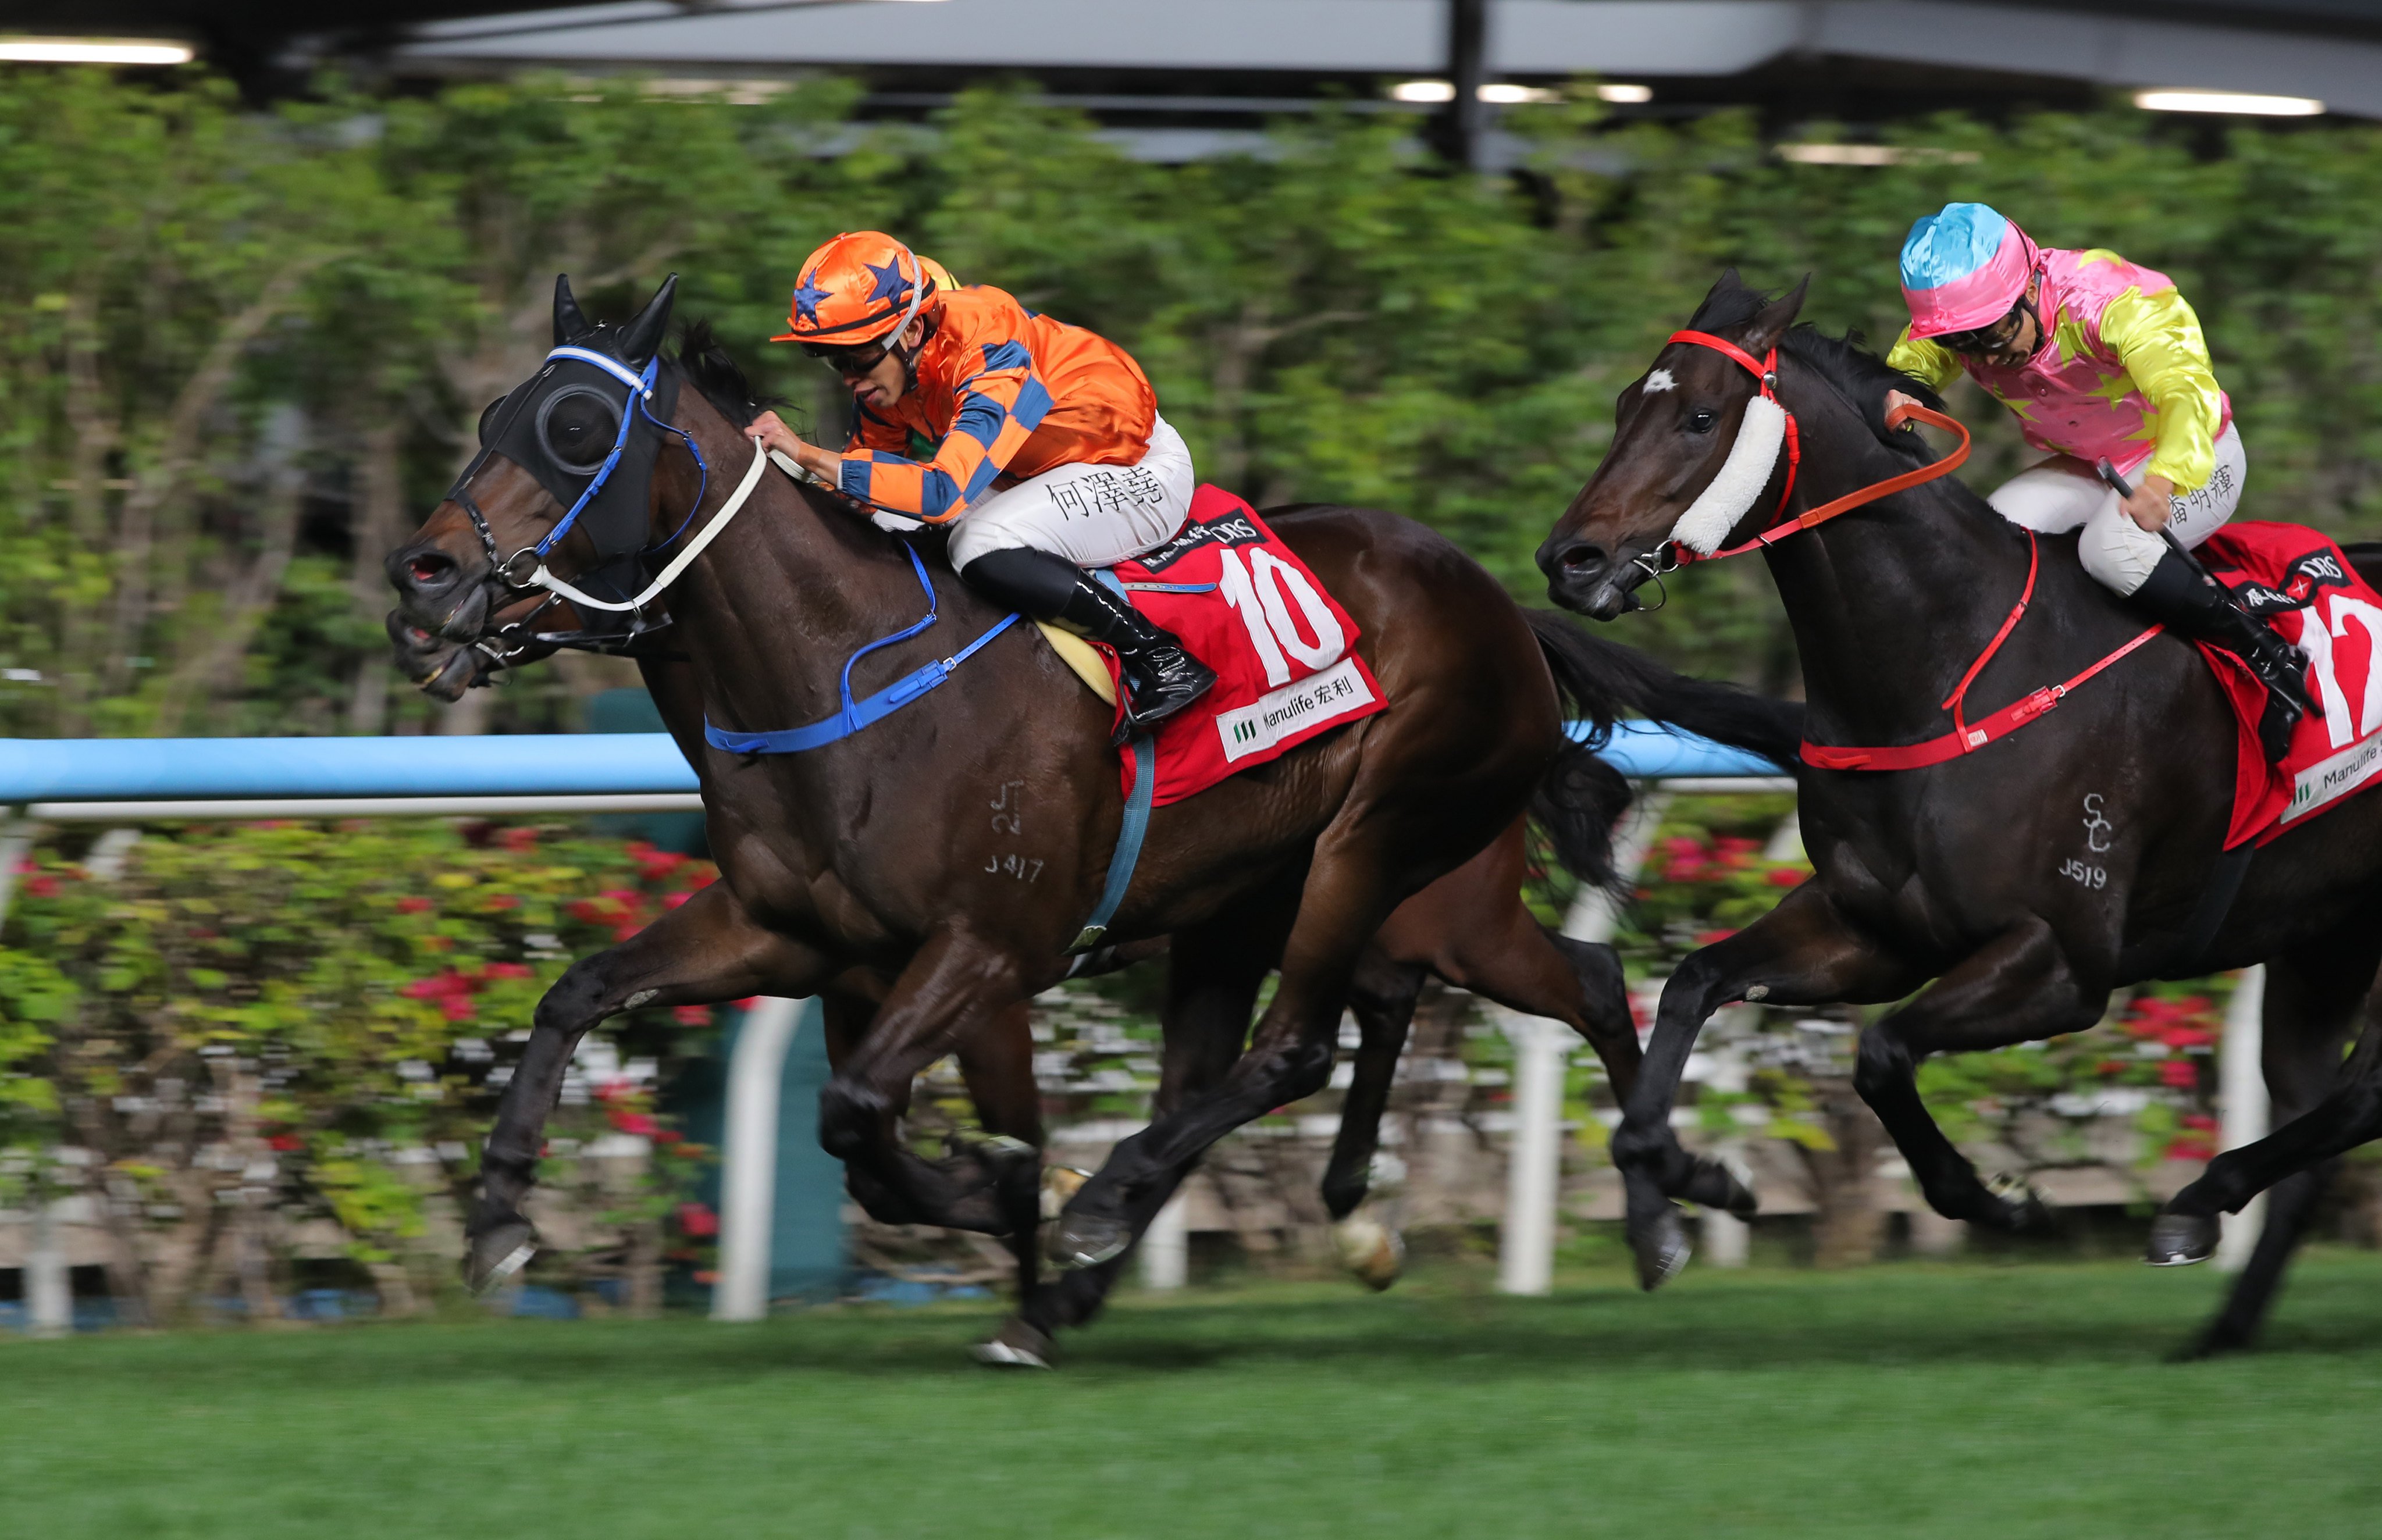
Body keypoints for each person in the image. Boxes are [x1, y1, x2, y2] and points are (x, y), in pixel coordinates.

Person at [1880, 201, 2315, 760]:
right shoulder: (1965, 323)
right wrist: (1900, 391)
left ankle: (2265, 654)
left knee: (2110, 550)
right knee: (1990, 538)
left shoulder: (2112, 302)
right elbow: (1910, 366)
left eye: (1992, 335)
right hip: (2090, 464)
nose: (1988, 357)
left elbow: (2189, 394)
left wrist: (2164, 480)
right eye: (1962, 345)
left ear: (2031, 285)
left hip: (2190, 454)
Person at [749, 231, 1216, 735]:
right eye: (833, 361)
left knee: (979, 542)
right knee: (885, 518)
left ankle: (1159, 657)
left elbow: (941, 494)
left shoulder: (991, 346)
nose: (847, 378)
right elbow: (860, 490)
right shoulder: (892, 375)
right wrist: (775, 469)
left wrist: (805, 452)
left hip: (1135, 468)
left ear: (909, 333)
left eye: (856, 358)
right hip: (1034, 470)